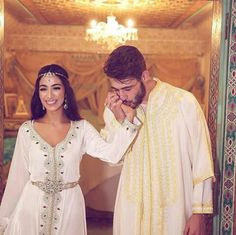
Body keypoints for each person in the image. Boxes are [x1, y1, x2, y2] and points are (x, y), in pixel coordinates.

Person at [0, 64, 139, 235]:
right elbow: (17, 179)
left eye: (56, 88)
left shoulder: (81, 129)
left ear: (66, 91)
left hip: (69, 208)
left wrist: (125, 121)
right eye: (43, 89)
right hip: (30, 210)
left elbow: (112, 155)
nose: (49, 95)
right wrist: (4, 222)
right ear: (38, 93)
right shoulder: (27, 130)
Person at [101, 45, 214, 235]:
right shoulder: (114, 108)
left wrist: (199, 212)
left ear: (144, 76)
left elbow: (202, 158)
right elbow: (113, 159)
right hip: (132, 211)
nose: (122, 96)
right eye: (116, 89)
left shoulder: (183, 102)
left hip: (175, 210)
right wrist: (121, 120)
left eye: (127, 88)